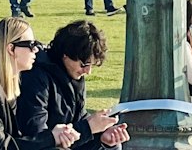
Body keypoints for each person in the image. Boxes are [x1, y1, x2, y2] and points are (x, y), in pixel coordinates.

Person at [0, 15, 81, 150]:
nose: (36, 50)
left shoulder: (3, 81)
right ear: (11, 49)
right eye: (31, 45)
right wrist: (51, 137)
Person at [16, 19, 129, 148]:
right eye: (84, 64)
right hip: (40, 143)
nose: (88, 71)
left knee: (113, 145)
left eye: (91, 65)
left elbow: (78, 119)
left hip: (61, 142)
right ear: (66, 55)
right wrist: (88, 128)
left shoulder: (73, 75)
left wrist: (101, 137)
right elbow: (37, 135)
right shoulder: (36, 77)